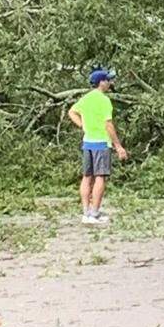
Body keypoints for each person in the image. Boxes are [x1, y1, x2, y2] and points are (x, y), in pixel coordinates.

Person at [68, 69, 129, 225]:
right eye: (107, 80)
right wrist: (118, 146)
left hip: (87, 142)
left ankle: (86, 212)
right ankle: (94, 214)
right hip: (101, 143)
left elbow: (72, 112)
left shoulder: (86, 98)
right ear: (101, 82)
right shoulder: (104, 100)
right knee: (100, 177)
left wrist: (82, 125)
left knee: (87, 177)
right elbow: (108, 124)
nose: (109, 83)